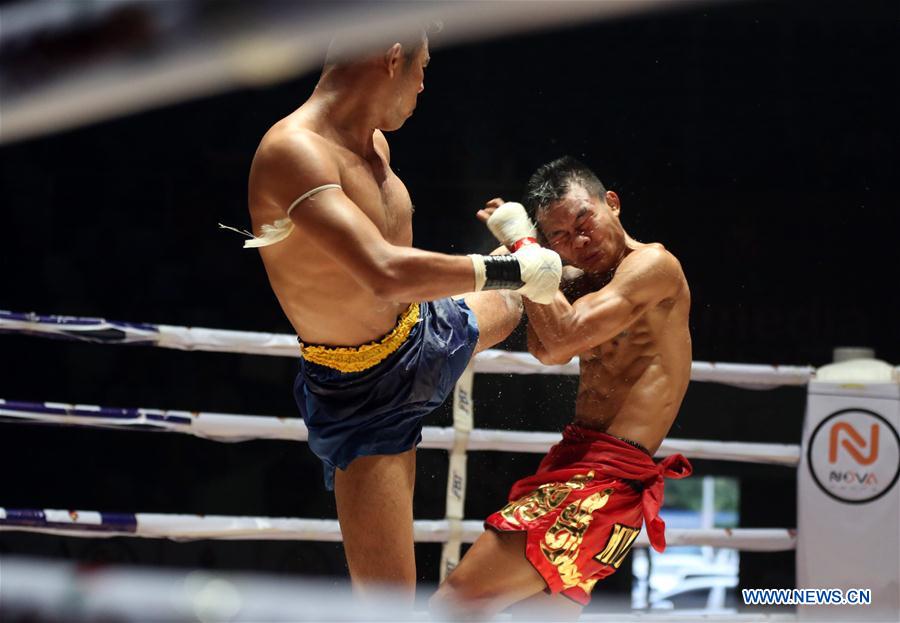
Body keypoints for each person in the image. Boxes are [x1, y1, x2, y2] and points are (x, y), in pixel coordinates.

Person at [239, 28, 562, 603]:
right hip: (363, 392)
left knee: (513, 306)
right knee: (389, 604)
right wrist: (510, 271)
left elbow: (401, 277)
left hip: (422, 329)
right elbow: (382, 270)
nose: (421, 86)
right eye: (422, 69)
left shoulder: (375, 146)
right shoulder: (295, 152)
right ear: (392, 59)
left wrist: (519, 256)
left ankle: (523, 250)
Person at [431, 156, 693, 619]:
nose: (580, 241)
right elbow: (547, 348)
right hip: (582, 469)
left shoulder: (654, 265)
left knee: (455, 603)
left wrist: (524, 244)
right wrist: (530, 259)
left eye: (583, 220)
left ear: (611, 203)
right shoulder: (581, 281)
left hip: (600, 481)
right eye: (560, 237)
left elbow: (564, 338)